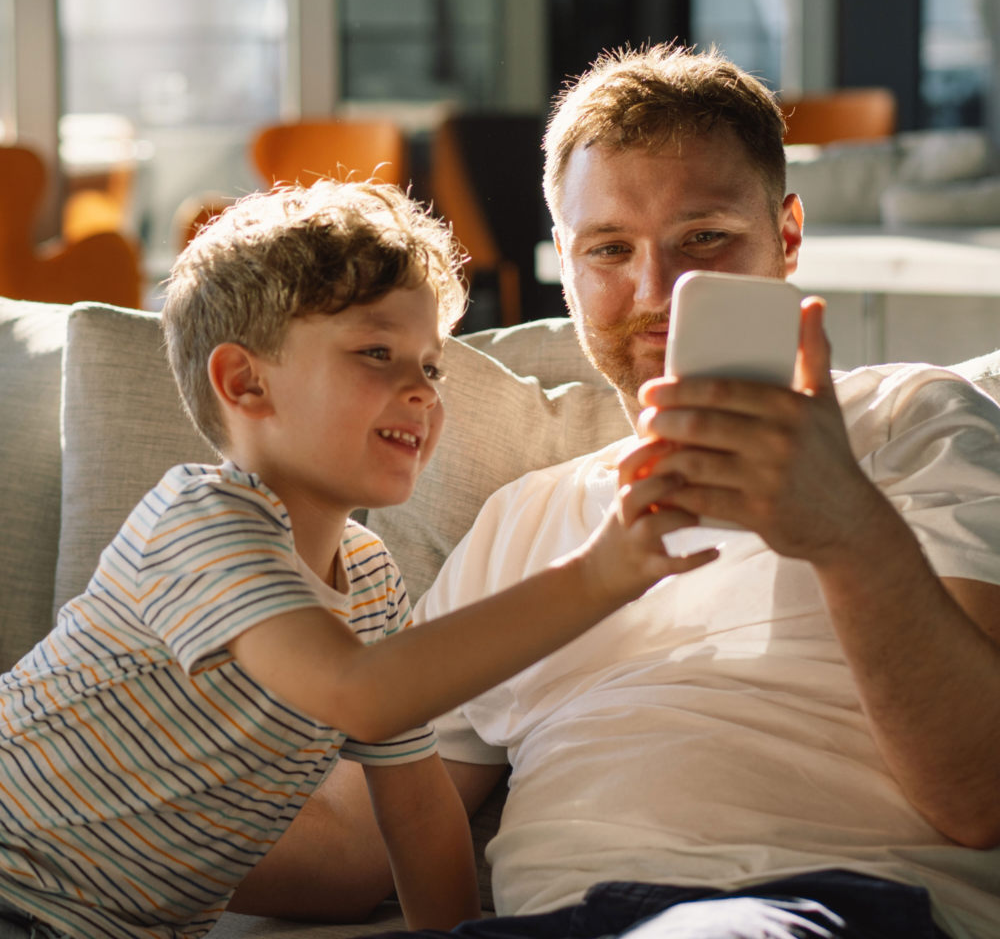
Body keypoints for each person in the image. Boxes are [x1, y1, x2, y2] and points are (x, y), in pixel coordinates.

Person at [235, 48, 1000, 938]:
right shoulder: (521, 519)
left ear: (787, 235)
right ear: (564, 260)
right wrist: (57, 822)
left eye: (704, 238)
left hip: (806, 910)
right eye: (609, 249)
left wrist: (845, 528)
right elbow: (358, 841)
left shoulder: (916, 422)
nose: (656, 292)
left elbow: (980, 795)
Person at [0, 180, 720, 939]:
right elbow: (362, 693)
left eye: (432, 366)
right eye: (377, 353)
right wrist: (597, 575)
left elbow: (416, 811)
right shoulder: (198, 526)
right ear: (245, 382)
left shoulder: (370, 580)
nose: (421, 393)